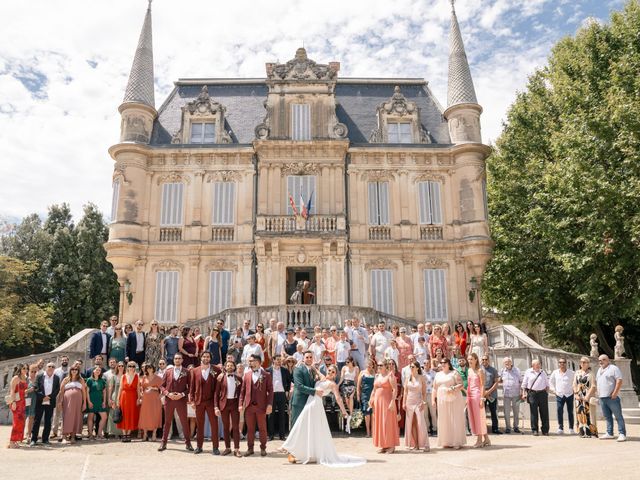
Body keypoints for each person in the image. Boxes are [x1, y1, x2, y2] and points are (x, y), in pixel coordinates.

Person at [282, 364, 365, 467]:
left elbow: (338, 398)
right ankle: (299, 449)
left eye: (333, 372)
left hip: (315, 405)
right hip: (310, 403)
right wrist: (307, 365)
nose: (330, 372)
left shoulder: (332, 384)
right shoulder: (322, 378)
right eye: (329, 370)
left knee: (301, 424)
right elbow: (316, 370)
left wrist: (344, 412)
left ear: (335, 375)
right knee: (306, 427)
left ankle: (287, 446)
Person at [239, 354, 273, 457]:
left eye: (251, 361)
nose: (249, 363)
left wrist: (269, 405)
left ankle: (263, 448)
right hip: (249, 407)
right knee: (250, 429)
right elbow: (242, 391)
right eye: (249, 361)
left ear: (258, 362)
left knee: (262, 428)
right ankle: (250, 448)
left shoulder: (266, 375)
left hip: (261, 406)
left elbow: (270, 391)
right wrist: (241, 404)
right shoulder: (247, 375)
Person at [159, 353, 193, 451]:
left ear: (182, 360)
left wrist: (182, 394)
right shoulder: (168, 371)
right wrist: (167, 394)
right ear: (173, 360)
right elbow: (161, 385)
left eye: (179, 358)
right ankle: (163, 443)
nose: (177, 360)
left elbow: (190, 387)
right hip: (169, 400)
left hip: (181, 400)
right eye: (175, 358)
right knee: (167, 422)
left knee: (184, 422)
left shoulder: (186, 371)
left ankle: (188, 443)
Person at [189, 351, 220, 454]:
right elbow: (192, 387)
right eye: (204, 356)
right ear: (201, 358)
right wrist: (192, 400)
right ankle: (199, 446)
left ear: (210, 358)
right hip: (199, 402)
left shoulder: (216, 370)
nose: (206, 358)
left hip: (211, 402)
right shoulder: (195, 370)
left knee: (214, 425)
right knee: (200, 425)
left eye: (208, 357)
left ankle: (215, 448)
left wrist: (217, 404)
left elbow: (218, 388)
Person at [433, 358, 466, 449]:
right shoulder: (438, 374)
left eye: (445, 362)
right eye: (441, 362)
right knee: (444, 419)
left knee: (454, 418)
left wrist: (452, 389)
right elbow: (434, 388)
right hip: (442, 399)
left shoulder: (454, 373)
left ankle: (456, 442)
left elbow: (461, 384)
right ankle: (446, 441)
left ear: (448, 364)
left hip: (454, 398)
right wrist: (433, 400)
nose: (443, 364)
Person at [370, 359, 399, 454]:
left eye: (381, 365)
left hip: (387, 402)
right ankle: (384, 445)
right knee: (380, 423)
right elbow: (374, 389)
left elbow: (395, 389)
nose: (379, 367)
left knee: (388, 422)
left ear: (386, 366)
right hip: (378, 403)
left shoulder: (390, 375)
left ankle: (391, 445)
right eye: (378, 365)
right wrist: (371, 399)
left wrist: (392, 402)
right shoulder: (377, 376)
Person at [214, 360, 243, 457]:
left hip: (234, 404)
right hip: (224, 404)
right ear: (225, 367)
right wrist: (216, 407)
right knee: (226, 427)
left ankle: (237, 449)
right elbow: (216, 393)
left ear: (234, 367)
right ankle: (227, 448)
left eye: (231, 365)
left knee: (235, 427)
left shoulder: (239, 378)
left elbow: (241, 394)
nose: (230, 367)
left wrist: (240, 404)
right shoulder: (220, 378)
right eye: (228, 365)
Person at [596, 354, 626, 441]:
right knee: (607, 416)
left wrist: (615, 393)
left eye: (603, 359)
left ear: (608, 360)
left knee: (618, 416)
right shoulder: (599, 370)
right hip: (602, 397)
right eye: (599, 360)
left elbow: (619, 380)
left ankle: (622, 434)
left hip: (612, 397)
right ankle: (609, 433)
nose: (601, 361)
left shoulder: (613, 368)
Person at [402, 361, 430, 452]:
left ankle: (425, 444)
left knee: (421, 423)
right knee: (411, 423)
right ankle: (416, 445)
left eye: (413, 366)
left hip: (418, 402)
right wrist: (403, 403)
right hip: (409, 402)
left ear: (417, 368)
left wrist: (423, 402)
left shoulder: (421, 378)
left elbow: (424, 392)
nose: (411, 368)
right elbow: (405, 392)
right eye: (410, 366)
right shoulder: (407, 378)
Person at [58, 365, 86, 444]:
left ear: (78, 371)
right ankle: (64, 436)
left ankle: (73, 437)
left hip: (78, 402)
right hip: (67, 401)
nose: (74, 370)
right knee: (66, 417)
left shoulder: (81, 380)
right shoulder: (66, 379)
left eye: (76, 369)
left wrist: (84, 403)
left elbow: (84, 392)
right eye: (72, 369)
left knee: (76, 417)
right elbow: (61, 391)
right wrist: (60, 401)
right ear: (70, 370)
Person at [467, 353, 490, 448]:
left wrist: (481, 398)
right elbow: (468, 385)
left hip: (477, 395)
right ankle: (487, 439)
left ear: (476, 360)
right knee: (474, 418)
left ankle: (480, 440)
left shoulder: (480, 370)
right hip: (470, 395)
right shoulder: (469, 370)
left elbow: (482, 385)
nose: (469, 361)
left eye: (471, 359)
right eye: (468, 359)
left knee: (478, 418)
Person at [521, 359, 549, 436]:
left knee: (544, 412)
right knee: (534, 412)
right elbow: (524, 384)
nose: (538, 365)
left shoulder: (543, 372)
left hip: (542, 393)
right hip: (532, 393)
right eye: (536, 364)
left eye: (539, 364)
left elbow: (547, 384)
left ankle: (545, 430)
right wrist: (524, 393)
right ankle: (534, 430)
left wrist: (546, 393)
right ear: (532, 365)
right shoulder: (528, 372)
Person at [267, 355, 291, 441]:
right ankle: (271, 435)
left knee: (282, 415)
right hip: (271, 395)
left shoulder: (285, 370)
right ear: (273, 360)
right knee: (270, 415)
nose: (279, 361)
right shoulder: (268, 370)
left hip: (282, 394)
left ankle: (282, 435)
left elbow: (289, 381)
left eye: (280, 360)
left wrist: (287, 391)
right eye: (277, 360)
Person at [549, 357, 575, 435]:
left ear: (566, 363)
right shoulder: (555, 372)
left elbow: (575, 382)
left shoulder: (571, 373)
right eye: (560, 362)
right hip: (559, 394)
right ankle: (560, 427)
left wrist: (574, 390)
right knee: (559, 410)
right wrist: (554, 390)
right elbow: (550, 382)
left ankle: (571, 428)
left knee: (570, 412)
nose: (562, 364)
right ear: (558, 364)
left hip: (569, 394)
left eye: (563, 362)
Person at [574, 356, 598, 438]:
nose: (582, 363)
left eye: (584, 362)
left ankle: (591, 432)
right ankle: (581, 432)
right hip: (578, 397)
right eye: (581, 362)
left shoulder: (591, 373)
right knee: (580, 414)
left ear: (588, 364)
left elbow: (593, 386)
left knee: (590, 414)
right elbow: (574, 384)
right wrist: (576, 394)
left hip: (588, 395)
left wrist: (587, 396)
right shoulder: (577, 373)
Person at [117, 362, 140, 442]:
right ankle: (124, 434)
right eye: (130, 366)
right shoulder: (123, 376)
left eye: (133, 366)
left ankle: (128, 433)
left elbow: (138, 389)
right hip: (124, 397)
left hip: (133, 397)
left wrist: (139, 398)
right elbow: (120, 388)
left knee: (132, 414)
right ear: (127, 367)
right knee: (124, 414)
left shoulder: (137, 376)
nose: (131, 367)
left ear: (135, 367)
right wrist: (117, 399)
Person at [138, 364, 163, 441]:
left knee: (155, 415)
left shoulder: (158, 378)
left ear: (153, 368)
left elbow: (163, 388)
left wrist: (160, 396)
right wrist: (141, 394)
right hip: (146, 400)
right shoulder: (144, 377)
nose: (149, 369)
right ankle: (145, 434)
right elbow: (140, 388)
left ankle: (154, 434)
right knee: (145, 415)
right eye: (147, 368)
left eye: (150, 368)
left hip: (155, 399)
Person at [7, 364, 28, 448]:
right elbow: (12, 391)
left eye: (27, 368)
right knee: (16, 422)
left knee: (21, 422)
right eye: (24, 368)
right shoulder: (15, 378)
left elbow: (23, 391)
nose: (25, 370)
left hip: (23, 402)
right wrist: (13, 402)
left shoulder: (25, 378)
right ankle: (12, 442)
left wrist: (27, 391)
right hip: (16, 402)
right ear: (20, 369)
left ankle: (15, 441)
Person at [500, 357, 522, 434]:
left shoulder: (517, 370)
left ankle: (516, 426)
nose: (507, 363)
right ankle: (508, 427)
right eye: (505, 362)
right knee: (506, 412)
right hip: (506, 395)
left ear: (511, 362)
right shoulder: (502, 371)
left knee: (516, 411)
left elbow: (521, 381)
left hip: (516, 394)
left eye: (508, 362)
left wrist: (522, 392)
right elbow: (499, 380)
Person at [84, 366, 107, 440]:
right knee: (90, 417)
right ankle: (90, 435)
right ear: (93, 371)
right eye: (96, 370)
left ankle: (99, 434)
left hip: (100, 401)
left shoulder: (102, 380)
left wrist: (104, 401)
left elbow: (104, 392)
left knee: (104, 417)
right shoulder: (89, 380)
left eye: (99, 370)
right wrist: (89, 402)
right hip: (92, 401)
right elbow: (87, 392)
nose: (98, 371)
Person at [481, 355, 501, 434]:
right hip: (482, 393)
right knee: (482, 412)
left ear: (488, 360)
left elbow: (496, 383)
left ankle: (495, 428)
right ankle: (483, 429)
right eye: (483, 359)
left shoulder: (493, 370)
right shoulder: (479, 370)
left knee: (493, 412)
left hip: (492, 394)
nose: (484, 361)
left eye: (486, 359)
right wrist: (483, 393)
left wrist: (488, 392)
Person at [357, 358, 376, 438]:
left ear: (373, 365)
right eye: (368, 364)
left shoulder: (375, 373)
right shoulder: (362, 373)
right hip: (365, 395)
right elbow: (358, 386)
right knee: (367, 414)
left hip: (373, 395)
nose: (369, 366)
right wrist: (358, 395)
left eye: (371, 364)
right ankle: (368, 431)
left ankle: (373, 431)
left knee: (373, 414)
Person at [51, 356, 69, 439]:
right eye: (63, 360)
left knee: (65, 413)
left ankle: (63, 431)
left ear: (68, 361)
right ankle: (54, 432)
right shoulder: (56, 371)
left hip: (67, 393)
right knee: (56, 413)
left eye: (66, 360)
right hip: (58, 393)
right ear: (61, 361)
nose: (64, 361)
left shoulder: (71, 370)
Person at [338, 357, 359, 425]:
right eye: (346, 362)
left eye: (348, 362)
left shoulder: (356, 368)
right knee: (347, 399)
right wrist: (338, 385)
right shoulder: (344, 368)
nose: (346, 363)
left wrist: (357, 387)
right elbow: (342, 377)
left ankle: (351, 413)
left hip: (352, 384)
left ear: (352, 362)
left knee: (351, 397)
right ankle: (350, 412)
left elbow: (356, 379)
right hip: (345, 384)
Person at [106, 362, 125, 438]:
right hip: (115, 395)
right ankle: (112, 432)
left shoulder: (126, 376)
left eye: (122, 366)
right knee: (113, 413)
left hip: (123, 396)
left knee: (122, 413)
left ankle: (121, 432)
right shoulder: (114, 377)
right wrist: (109, 399)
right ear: (117, 367)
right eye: (119, 366)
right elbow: (110, 388)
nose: (120, 367)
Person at [422, 359, 438, 436]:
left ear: (429, 364)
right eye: (425, 363)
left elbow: (436, 384)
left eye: (428, 363)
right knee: (425, 414)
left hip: (431, 394)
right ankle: (427, 429)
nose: (426, 364)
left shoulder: (434, 373)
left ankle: (435, 429)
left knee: (433, 413)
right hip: (423, 395)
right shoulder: (421, 373)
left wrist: (435, 396)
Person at [24, 364, 38, 442]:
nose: (33, 373)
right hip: (26, 399)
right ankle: (21, 435)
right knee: (24, 416)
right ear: (29, 371)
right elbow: (21, 391)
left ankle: (28, 435)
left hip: (34, 400)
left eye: (35, 371)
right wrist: (28, 390)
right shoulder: (25, 379)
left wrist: (36, 389)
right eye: (32, 371)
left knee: (31, 417)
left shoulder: (37, 380)